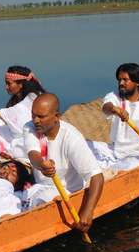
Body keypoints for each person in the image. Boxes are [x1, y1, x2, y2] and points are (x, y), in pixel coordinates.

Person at [23, 94, 105, 232]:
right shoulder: (30, 127)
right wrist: (42, 165)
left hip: (67, 193)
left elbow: (97, 177)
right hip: (41, 187)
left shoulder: (72, 138)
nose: (36, 120)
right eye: (33, 115)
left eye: (41, 117)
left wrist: (87, 212)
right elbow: (33, 154)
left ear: (56, 117)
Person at [0, 66, 47, 164]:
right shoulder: (20, 98)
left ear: (21, 84)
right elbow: (9, 114)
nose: (6, 87)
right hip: (22, 136)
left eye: (9, 84)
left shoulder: (32, 97)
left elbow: (4, 114)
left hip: (32, 141)